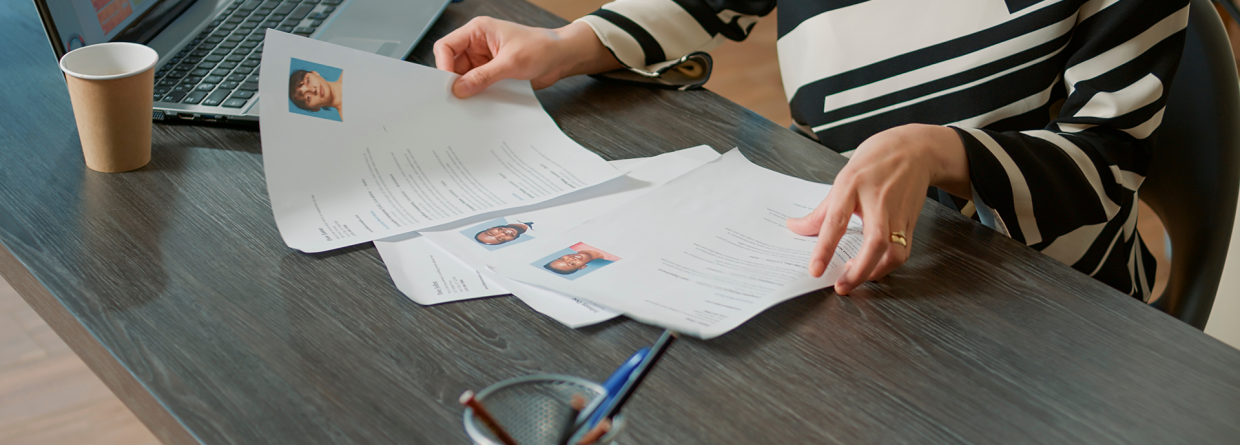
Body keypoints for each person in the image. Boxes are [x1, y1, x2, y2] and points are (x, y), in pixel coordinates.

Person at [434, 0, 1189, 301]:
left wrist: (940, 150)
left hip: (1041, 301)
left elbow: (1105, 162)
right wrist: (567, 45)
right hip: (827, 259)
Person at [544, 242, 620, 275]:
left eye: (562, 259)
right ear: (582, 267)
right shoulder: (615, 258)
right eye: (571, 264)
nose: (571, 259)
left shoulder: (575, 243)